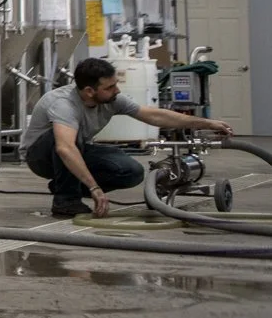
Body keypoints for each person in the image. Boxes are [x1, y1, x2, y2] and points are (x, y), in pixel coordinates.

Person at [19, 56, 234, 218]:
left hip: (75, 149)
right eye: (110, 87)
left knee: (131, 171)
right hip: (41, 157)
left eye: (115, 84)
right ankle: (66, 200)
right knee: (65, 139)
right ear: (89, 91)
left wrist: (206, 123)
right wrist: (95, 188)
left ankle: (65, 185)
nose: (117, 90)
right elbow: (65, 148)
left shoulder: (112, 99)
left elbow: (155, 116)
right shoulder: (64, 104)